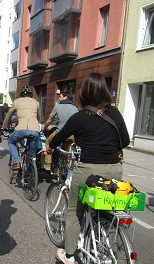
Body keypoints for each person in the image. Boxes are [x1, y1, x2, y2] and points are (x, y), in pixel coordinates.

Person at [39, 73, 130, 264]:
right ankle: (103, 229)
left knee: (74, 211)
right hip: (114, 170)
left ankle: (70, 255)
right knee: (106, 205)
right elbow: (126, 141)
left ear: (84, 93)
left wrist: (49, 147)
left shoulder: (79, 117)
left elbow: (58, 137)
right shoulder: (114, 113)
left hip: (88, 171)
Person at [2, 86, 40, 170]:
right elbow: (38, 117)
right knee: (32, 155)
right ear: (31, 94)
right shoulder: (36, 102)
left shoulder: (16, 102)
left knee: (11, 142)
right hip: (35, 130)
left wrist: (4, 126)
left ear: (21, 94)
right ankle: (31, 176)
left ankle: (17, 162)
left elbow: (9, 115)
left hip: (21, 129)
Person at [42, 90, 78, 171]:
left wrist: (45, 128)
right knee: (66, 149)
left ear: (65, 97)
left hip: (61, 132)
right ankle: (64, 164)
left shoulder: (57, 107)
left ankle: (48, 164)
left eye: (60, 96)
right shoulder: (75, 108)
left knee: (48, 142)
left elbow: (49, 120)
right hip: (72, 135)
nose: (58, 98)